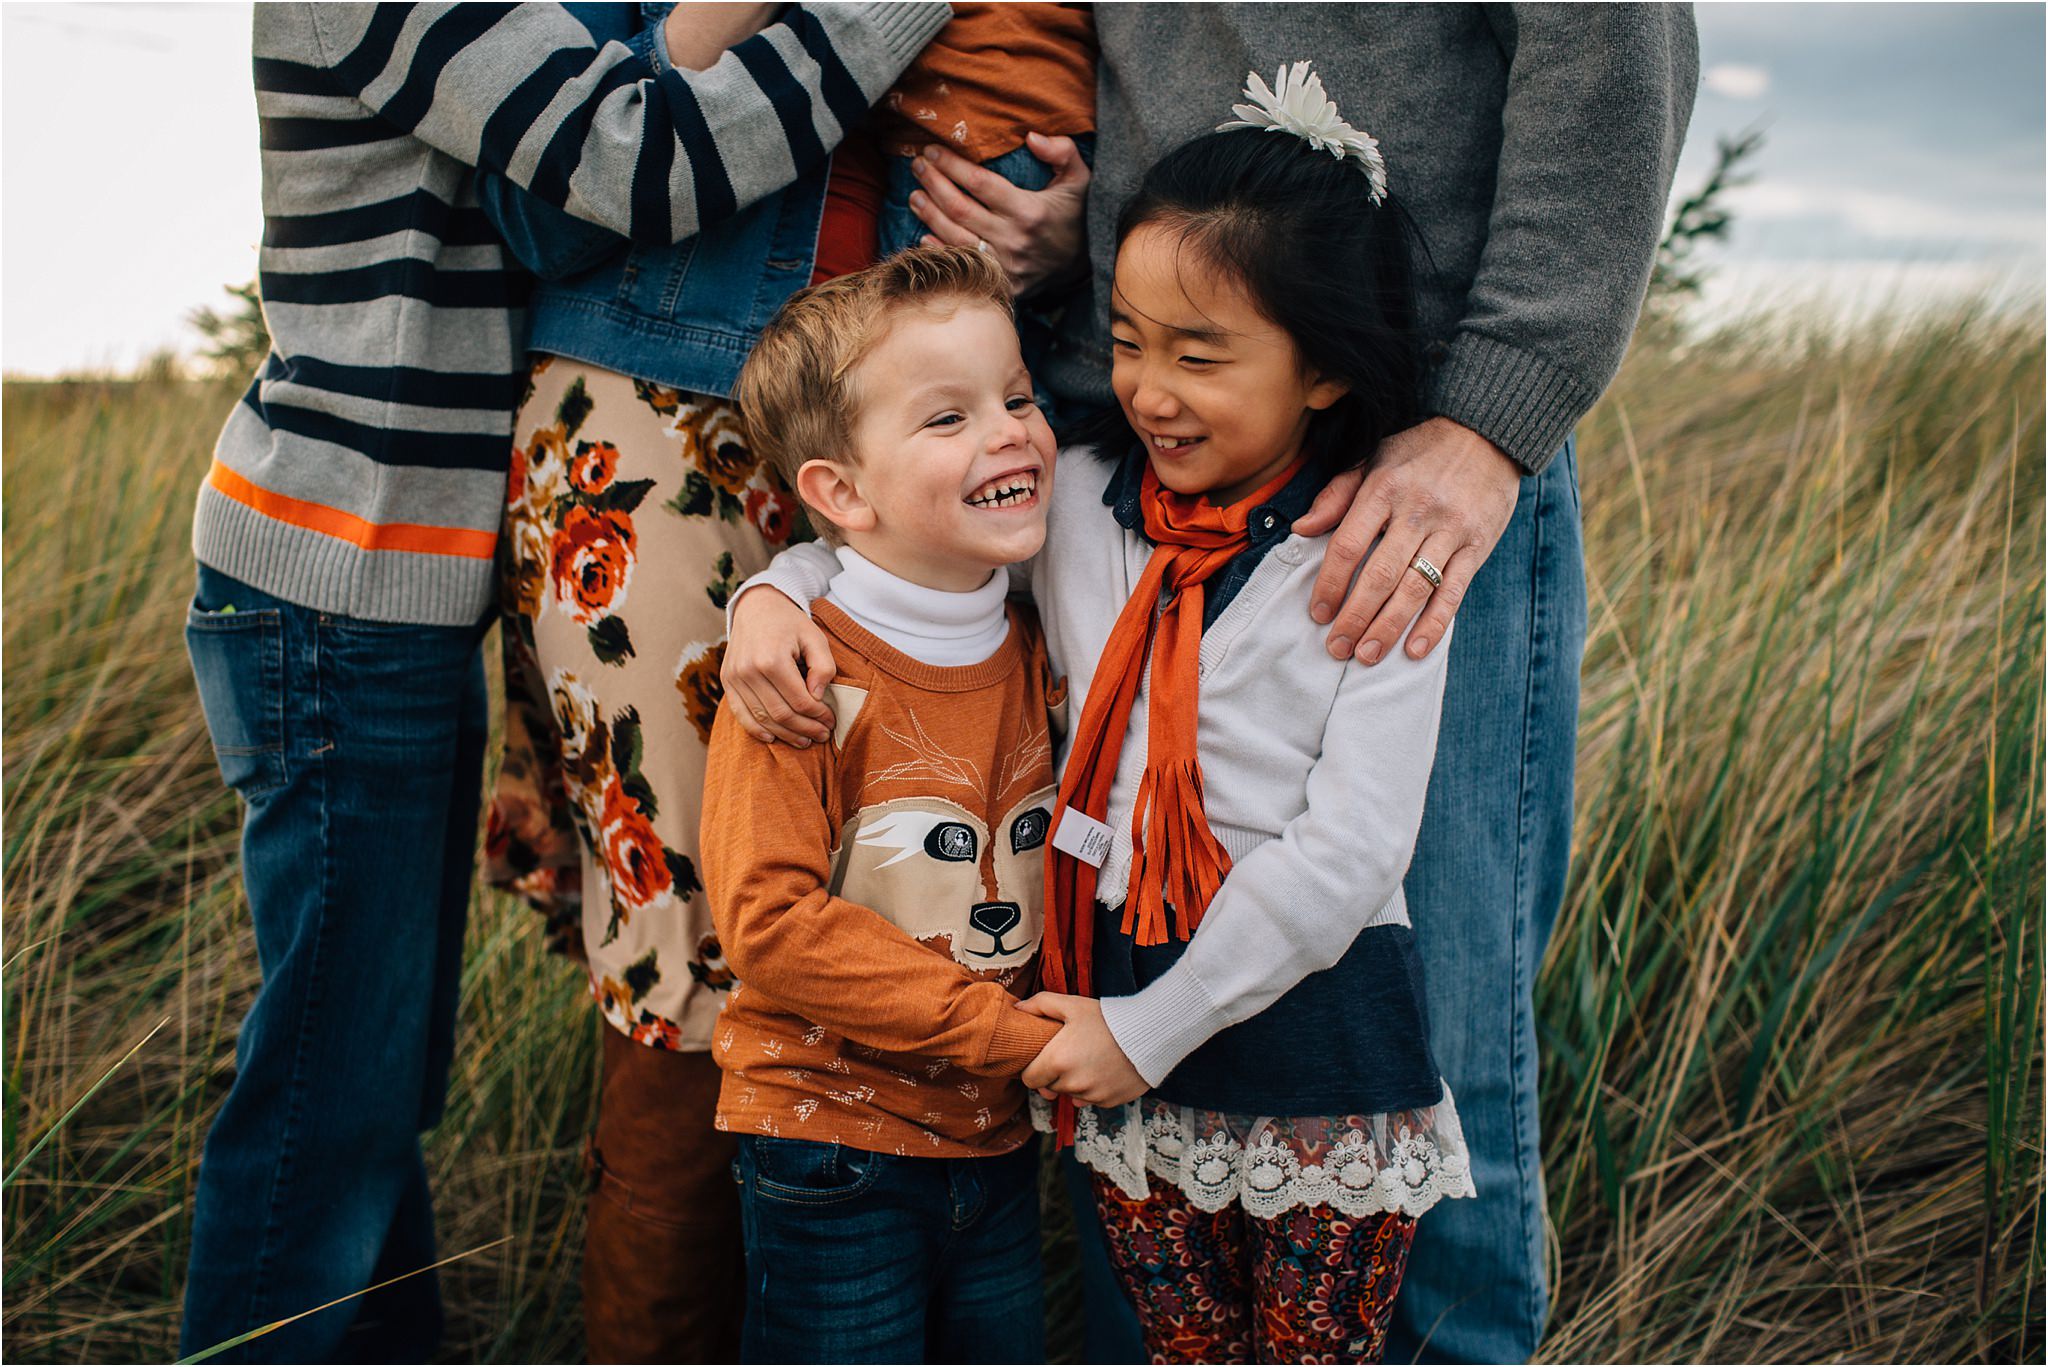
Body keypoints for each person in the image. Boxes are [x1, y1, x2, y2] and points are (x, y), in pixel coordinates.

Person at [790, 10, 1703, 1359]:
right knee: (1147, 1221)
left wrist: (1491, 415)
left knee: (1428, 1026)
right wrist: (1095, 257)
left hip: (1419, 453)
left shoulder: (1356, 525)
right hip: (1149, 429)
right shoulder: (1091, 514)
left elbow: (1609, 45)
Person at [178, 4, 949, 1360]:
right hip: (334, 577)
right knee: (327, 1101)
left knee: (363, 1085)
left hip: (385, 591)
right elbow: (632, 157)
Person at [731, 77, 1479, 1360]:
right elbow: (897, 543)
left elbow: (1351, 854)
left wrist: (1150, 1030)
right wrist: (770, 589)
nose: (1149, 390)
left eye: (1200, 355)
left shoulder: (1370, 558)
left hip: (1302, 1045)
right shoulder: (1076, 501)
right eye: (1127, 342)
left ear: (1320, 370)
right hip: (1104, 1029)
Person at [472, 6, 1093, 1357]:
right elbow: (539, 209)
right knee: (693, 960)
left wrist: (1068, 235)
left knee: (931, 877)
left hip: (934, 419)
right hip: (664, 399)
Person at [702, 245, 1065, 1361]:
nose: (1008, 430)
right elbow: (770, 924)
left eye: (1014, 396)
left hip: (995, 1140)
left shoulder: (1037, 643)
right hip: (830, 1144)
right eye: (946, 418)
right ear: (840, 493)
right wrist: (1006, 1034)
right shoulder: (800, 681)